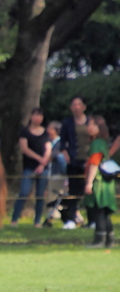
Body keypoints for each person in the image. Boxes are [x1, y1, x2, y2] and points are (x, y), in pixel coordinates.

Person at [10, 108, 51, 226]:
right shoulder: (24, 132)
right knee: (23, 193)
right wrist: (39, 159)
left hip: (43, 168)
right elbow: (25, 149)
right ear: (31, 117)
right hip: (29, 167)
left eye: (40, 115)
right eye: (35, 115)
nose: (38, 118)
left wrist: (43, 163)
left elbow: (48, 149)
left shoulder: (45, 133)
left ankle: (37, 221)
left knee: (40, 195)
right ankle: (14, 219)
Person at [84, 115, 116, 248]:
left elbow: (94, 163)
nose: (89, 127)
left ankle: (99, 240)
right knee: (105, 212)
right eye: (89, 124)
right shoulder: (102, 142)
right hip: (107, 183)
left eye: (93, 125)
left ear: (100, 128)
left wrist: (89, 182)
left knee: (99, 210)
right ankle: (110, 240)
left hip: (99, 182)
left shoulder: (97, 143)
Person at [59, 96, 90, 229]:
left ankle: (92, 220)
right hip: (73, 161)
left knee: (89, 191)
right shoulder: (67, 123)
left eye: (79, 104)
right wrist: (66, 155)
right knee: (73, 191)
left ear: (84, 106)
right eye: (74, 104)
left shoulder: (91, 121)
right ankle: (71, 219)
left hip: (89, 161)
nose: (76, 107)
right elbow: (62, 143)